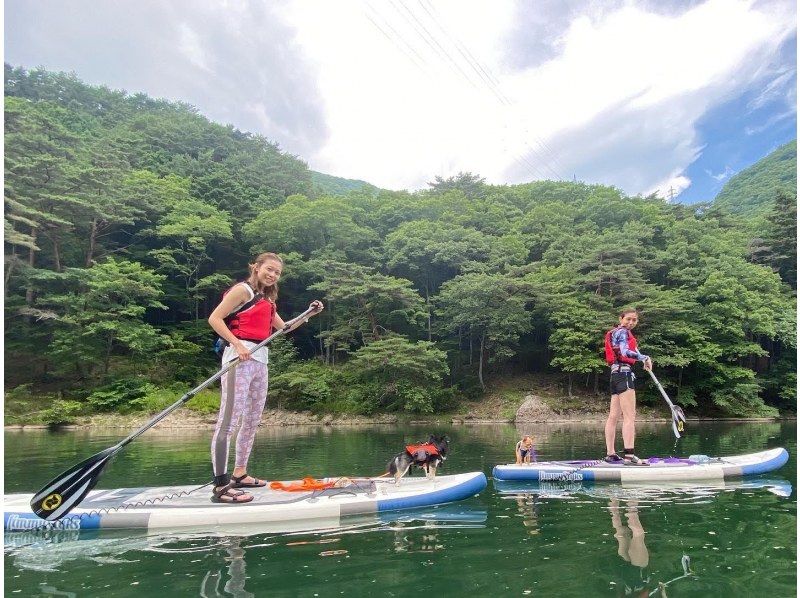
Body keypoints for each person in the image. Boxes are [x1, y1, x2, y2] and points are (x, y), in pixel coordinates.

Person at [208, 252, 323, 503]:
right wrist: (237, 344)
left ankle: (240, 474)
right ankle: (220, 486)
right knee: (228, 423)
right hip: (238, 360)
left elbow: (284, 328)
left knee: (251, 420)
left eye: (277, 272)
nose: (272, 275)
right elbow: (215, 319)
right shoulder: (243, 291)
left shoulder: (268, 301)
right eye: (269, 269)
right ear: (256, 267)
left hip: (261, 361)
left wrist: (309, 314)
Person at [604, 309, 652, 465]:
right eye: (628, 319)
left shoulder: (615, 333)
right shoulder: (623, 333)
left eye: (634, 320)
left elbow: (622, 351)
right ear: (621, 318)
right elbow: (625, 352)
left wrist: (640, 357)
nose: (631, 322)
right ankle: (629, 456)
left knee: (613, 416)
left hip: (614, 375)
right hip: (624, 375)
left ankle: (611, 454)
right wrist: (644, 357)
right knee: (630, 416)